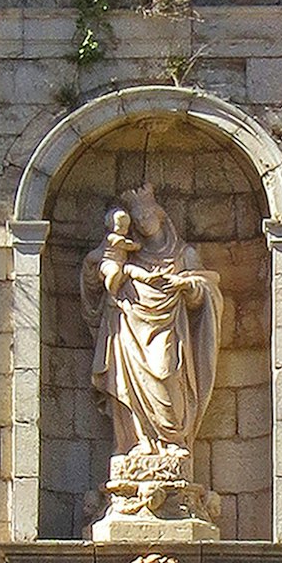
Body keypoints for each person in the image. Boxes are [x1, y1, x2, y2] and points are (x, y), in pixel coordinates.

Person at [79, 185, 223, 458]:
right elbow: (97, 282)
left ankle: (173, 441)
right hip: (127, 328)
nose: (144, 222)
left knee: (166, 373)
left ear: (161, 216)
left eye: (148, 215)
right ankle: (136, 441)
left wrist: (186, 285)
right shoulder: (126, 253)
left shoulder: (184, 255)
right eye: (139, 217)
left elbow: (205, 294)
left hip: (168, 330)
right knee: (126, 386)